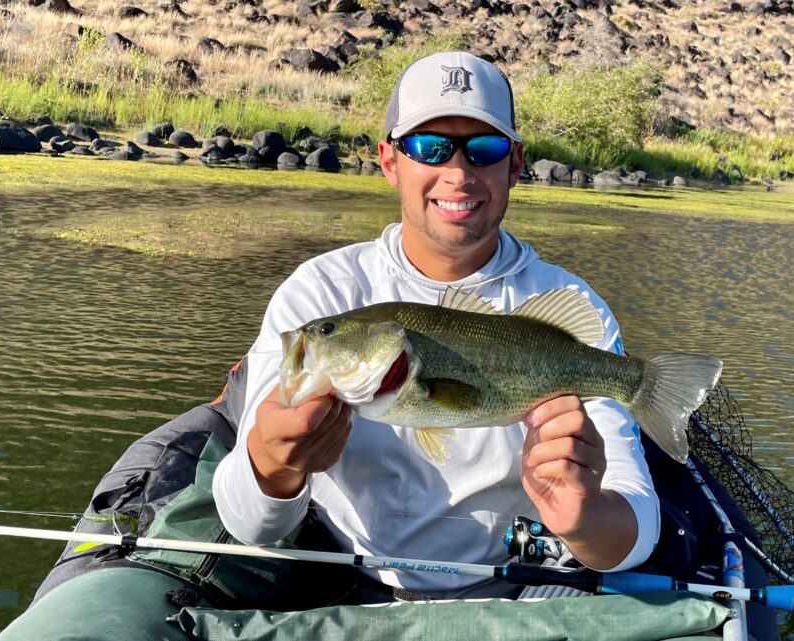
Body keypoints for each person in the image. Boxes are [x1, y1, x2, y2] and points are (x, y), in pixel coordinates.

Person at [211, 50, 660, 600]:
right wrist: (272, 469)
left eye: (484, 148)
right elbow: (248, 524)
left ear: (515, 164)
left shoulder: (566, 301)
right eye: (429, 147)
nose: (458, 172)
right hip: (349, 581)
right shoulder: (320, 292)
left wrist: (583, 518)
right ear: (389, 160)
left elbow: (636, 518)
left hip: (516, 583)